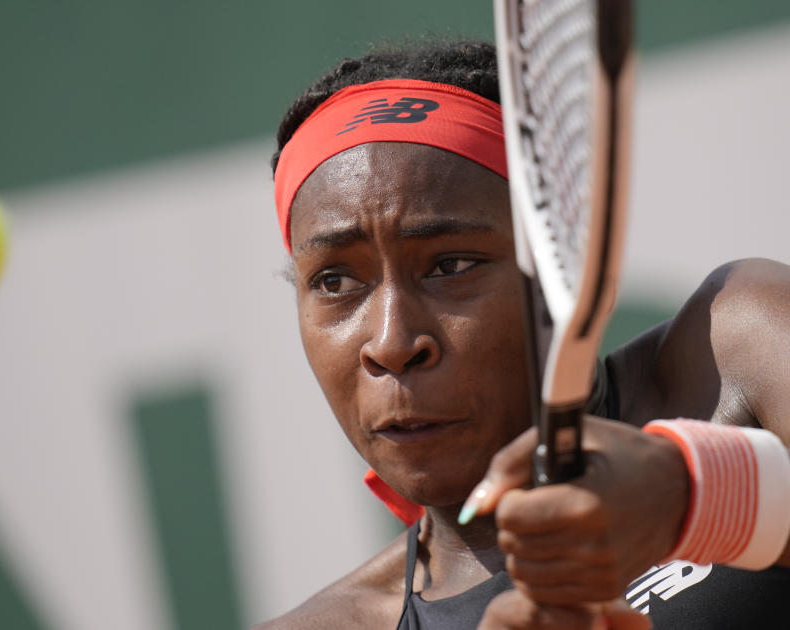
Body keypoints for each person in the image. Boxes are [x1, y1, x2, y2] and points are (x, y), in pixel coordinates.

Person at [256, 40, 790, 629]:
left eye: (450, 266)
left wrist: (696, 498)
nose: (391, 343)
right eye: (333, 282)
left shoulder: (742, 337)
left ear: (569, 267)